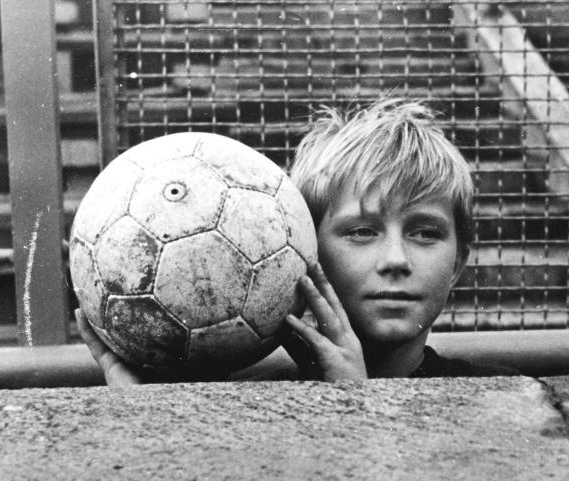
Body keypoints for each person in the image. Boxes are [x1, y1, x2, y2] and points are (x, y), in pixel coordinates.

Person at [77, 98, 513, 385]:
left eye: (425, 233)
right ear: (305, 250)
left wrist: (357, 406)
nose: (396, 260)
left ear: (459, 262)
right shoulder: (249, 408)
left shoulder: (499, 395)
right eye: (362, 232)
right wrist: (145, 416)